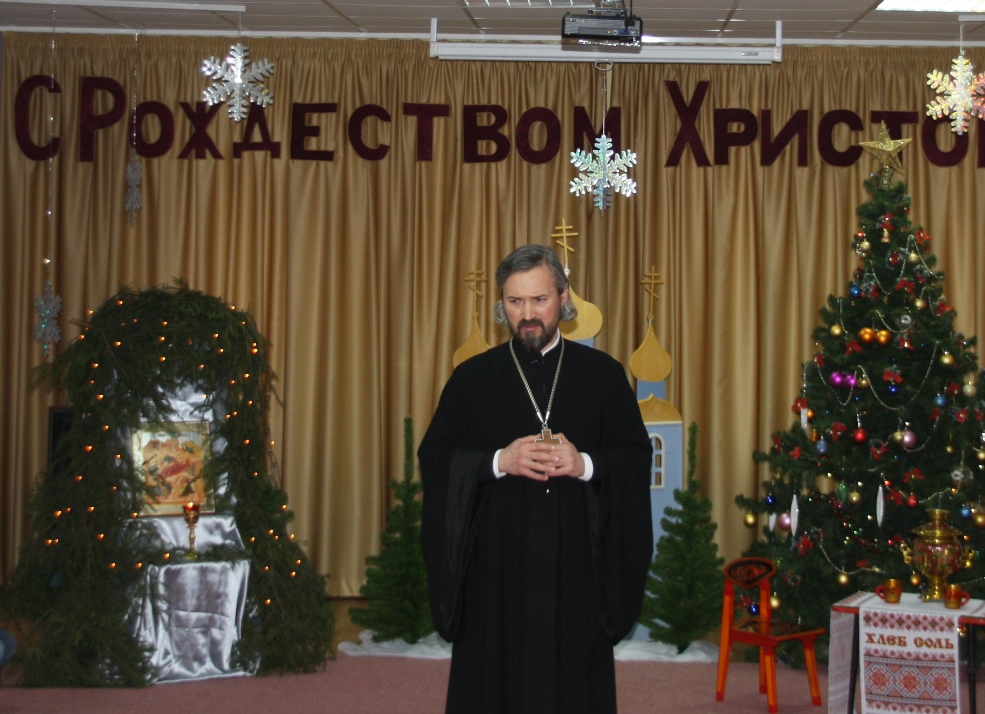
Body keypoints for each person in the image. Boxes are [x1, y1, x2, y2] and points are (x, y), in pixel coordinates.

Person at [419, 244, 653, 714]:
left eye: (539, 300)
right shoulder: (472, 379)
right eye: (515, 301)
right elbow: (436, 457)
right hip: (495, 564)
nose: (527, 315)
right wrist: (497, 460)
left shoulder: (603, 376)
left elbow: (634, 456)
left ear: (563, 298)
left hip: (576, 562)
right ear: (501, 304)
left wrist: (583, 463)